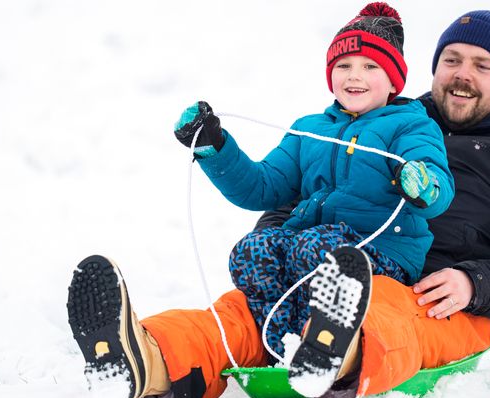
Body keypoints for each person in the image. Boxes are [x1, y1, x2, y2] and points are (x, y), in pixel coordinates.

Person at [65, 8, 490, 398]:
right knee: (238, 316)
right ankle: (146, 358)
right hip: (329, 263)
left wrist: (474, 282)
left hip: (440, 300)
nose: (462, 73)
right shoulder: (369, 123)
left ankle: (335, 355)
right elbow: (291, 193)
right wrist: (281, 249)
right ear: (431, 69)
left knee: (383, 313)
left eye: (482, 65)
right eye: (452, 60)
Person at [171, 2, 454, 375]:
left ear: (394, 80)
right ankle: (284, 345)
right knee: (251, 251)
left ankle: (322, 345)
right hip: (317, 246)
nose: (355, 76)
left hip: (381, 254)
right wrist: (214, 147)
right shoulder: (310, 128)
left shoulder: (409, 126)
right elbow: (262, 187)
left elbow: (438, 185)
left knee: (318, 247)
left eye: (371, 67)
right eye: (344, 66)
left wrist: (422, 183)